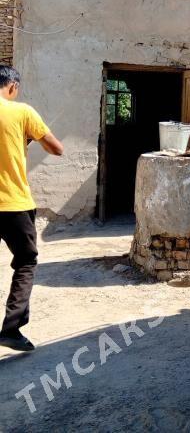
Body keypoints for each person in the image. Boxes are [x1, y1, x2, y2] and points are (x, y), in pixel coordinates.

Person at [0, 65, 63, 352]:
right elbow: (56, 148)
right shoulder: (22, 112)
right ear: (12, 87)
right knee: (26, 261)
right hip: (14, 203)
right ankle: (11, 330)